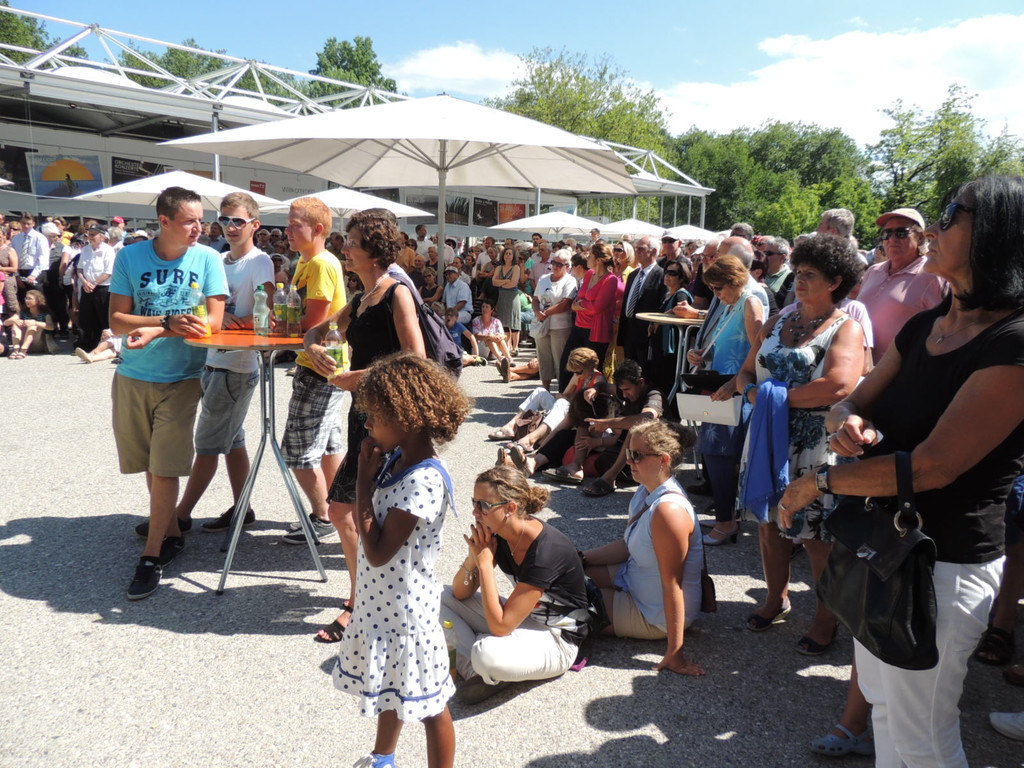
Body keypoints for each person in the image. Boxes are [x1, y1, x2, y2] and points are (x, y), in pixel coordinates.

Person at [777, 174, 1024, 768]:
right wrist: (848, 423)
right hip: (884, 549)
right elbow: (852, 400)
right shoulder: (926, 325)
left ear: (996, 232)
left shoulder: (1012, 342)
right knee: (887, 711)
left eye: (951, 214)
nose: (933, 228)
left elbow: (935, 467)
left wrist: (818, 482)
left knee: (922, 736)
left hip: (944, 563)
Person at [332, 353, 469, 768]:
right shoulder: (397, 459)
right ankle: (383, 757)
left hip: (407, 614)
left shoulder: (424, 479)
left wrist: (362, 480)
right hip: (383, 606)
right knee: (394, 687)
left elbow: (377, 552)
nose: (368, 425)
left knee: (431, 706)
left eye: (375, 417)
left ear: (405, 417)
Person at [734, 233, 865, 653]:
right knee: (769, 523)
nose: (799, 280)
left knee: (816, 537)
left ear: (835, 281)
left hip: (814, 444)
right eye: (798, 272)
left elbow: (840, 385)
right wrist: (752, 392)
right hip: (767, 435)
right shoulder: (777, 321)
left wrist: (774, 398)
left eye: (810, 274)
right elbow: (745, 372)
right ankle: (776, 599)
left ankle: (827, 619)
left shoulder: (846, 327)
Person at [303, 208, 425, 642]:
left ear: (373, 250)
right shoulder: (361, 299)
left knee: (355, 512)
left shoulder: (396, 294)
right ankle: (366, 599)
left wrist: (362, 377)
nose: (345, 248)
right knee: (350, 511)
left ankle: (363, 603)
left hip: (390, 422)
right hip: (363, 417)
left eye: (352, 242)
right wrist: (316, 350)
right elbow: (313, 333)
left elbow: (416, 360)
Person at [108, 186, 229, 600]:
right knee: (148, 462)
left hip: (182, 378)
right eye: (190, 221)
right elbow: (117, 320)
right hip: (132, 376)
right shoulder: (130, 256)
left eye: (202, 221)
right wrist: (166, 321)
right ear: (164, 222)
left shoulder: (208, 258)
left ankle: (152, 555)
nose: (200, 229)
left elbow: (213, 322)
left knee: (165, 468)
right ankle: (171, 529)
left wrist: (160, 329)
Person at [163, 193, 274, 535]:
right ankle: (243, 508)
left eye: (238, 221)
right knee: (232, 441)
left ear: (254, 225)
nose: (230, 226)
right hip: (214, 360)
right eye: (224, 220)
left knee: (208, 444)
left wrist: (228, 320)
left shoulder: (259, 261)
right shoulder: (219, 258)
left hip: (236, 365)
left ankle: (179, 516)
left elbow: (269, 314)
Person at [441, 466, 589, 705]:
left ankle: (488, 666)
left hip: (558, 640)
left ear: (510, 508)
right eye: (474, 502)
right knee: (437, 597)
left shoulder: (546, 552)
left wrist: (485, 565)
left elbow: (500, 627)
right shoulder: (499, 533)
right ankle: (479, 673)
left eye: (483, 505)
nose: (475, 512)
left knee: (486, 653)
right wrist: (473, 558)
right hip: (526, 618)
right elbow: (460, 593)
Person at [580, 420, 705, 676]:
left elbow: (673, 585)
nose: (628, 461)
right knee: (564, 575)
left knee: (559, 598)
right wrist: (580, 558)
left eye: (636, 455)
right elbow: (628, 545)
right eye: (628, 453)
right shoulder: (646, 490)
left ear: (663, 460)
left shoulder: (669, 512)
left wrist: (676, 653)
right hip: (634, 578)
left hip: (652, 612)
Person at [278, 197, 348, 547]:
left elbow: (312, 323)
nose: (287, 231)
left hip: (319, 368)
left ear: (317, 229)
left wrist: (280, 323)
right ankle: (338, 511)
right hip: (325, 368)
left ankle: (323, 517)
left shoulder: (320, 263)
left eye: (295, 225)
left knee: (297, 450)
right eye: (288, 224)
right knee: (330, 446)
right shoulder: (307, 261)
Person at [687, 255, 764, 545]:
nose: (716, 294)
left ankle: (726, 521)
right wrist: (701, 355)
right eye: (713, 289)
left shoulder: (750, 302)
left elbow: (758, 352)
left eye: (719, 288)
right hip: (721, 389)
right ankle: (725, 516)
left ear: (734, 281)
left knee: (720, 456)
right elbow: (728, 345)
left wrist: (735, 384)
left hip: (734, 391)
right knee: (715, 455)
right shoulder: (732, 305)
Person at [856, 207, 947, 363]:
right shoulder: (873, 271)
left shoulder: (931, 275)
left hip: (900, 370)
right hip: (859, 365)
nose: (892, 239)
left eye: (901, 233)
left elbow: (943, 330)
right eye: (887, 233)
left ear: (920, 238)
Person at [490, 347, 604, 450]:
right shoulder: (578, 376)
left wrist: (566, 399)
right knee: (540, 391)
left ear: (589, 367)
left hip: (582, 418)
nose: (576, 375)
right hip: (569, 408)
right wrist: (566, 397)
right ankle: (511, 426)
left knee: (562, 403)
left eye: (579, 372)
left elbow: (591, 407)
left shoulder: (598, 379)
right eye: (574, 372)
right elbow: (562, 395)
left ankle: (531, 439)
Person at [557, 242, 623, 390]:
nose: (587, 258)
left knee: (591, 369)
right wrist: (582, 304)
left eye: (590, 256)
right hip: (579, 326)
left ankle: (589, 399)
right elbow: (578, 299)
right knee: (567, 363)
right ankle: (563, 396)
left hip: (596, 330)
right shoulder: (589, 274)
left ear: (598, 260)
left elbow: (597, 307)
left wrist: (580, 305)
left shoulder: (611, 279)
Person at [530, 249, 576, 390]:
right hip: (542, 324)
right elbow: (535, 299)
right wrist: (537, 312)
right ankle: (545, 390)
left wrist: (546, 313)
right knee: (544, 358)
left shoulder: (570, 281)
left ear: (567, 266)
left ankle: (562, 391)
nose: (555, 266)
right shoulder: (544, 279)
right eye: (554, 262)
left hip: (560, 326)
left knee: (560, 360)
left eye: (559, 264)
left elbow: (565, 303)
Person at [617, 236, 666, 368]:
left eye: (641, 249)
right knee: (629, 371)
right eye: (636, 248)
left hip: (646, 335)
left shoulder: (661, 275)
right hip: (629, 332)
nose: (637, 251)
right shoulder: (633, 275)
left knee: (643, 371)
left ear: (654, 251)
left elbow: (662, 305)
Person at [74, 223, 116, 352]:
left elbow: (108, 272)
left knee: (103, 317)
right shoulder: (85, 249)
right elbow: (79, 269)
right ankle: (84, 344)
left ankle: (104, 345)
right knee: (86, 317)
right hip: (87, 287)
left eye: (93, 235)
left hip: (102, 288)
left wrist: (94, 283)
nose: (90, 237)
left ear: (102, 237)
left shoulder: (108, 250)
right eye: (89, 234)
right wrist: (85, 282)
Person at [4, 288, 53, 358]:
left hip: (38, 344)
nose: (26, 300)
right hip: (22, 342)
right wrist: (14, 320)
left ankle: (23, 351)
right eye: (26, 298)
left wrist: (35, 323)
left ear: (38, 300)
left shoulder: (45, 314)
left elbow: (51, 327)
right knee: (15, 324)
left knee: (32, 326)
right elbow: (6, 323)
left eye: (29, 299)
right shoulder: (22, 312)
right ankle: (16, 350)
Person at [472, 298, 513, 381]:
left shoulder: (496, 321)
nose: (484, 309)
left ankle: (508, 358)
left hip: (494, 349)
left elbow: (503, 335)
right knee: (489, 336)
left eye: (487, 307)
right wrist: (488, 337)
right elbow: (476, 335)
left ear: (492, 310)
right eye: (483, 307)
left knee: (499, 338)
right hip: (481, 348)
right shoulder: (476, 320)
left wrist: (499, 337)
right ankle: (500, 358)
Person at [492, 247, 522, 354]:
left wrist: (500, 282)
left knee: (514, 321)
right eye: (506, 253)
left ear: (513, 256)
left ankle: (515, 347)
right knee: (504, 321)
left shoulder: (516, 268)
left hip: (512, 297)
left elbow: (513, 283)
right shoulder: (499, 268)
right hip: (502, 296)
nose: (508, 255)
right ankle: (507, 346)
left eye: (510, 253)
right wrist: (505, 281)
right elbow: (494, 282)